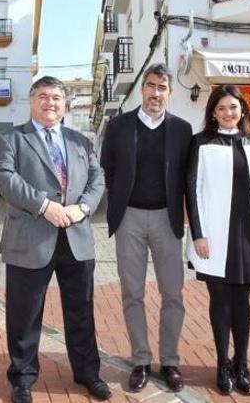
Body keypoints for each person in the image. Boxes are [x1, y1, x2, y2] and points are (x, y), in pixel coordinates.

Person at [0, 76, 109, 403]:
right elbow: (5, 179)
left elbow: (97, 178)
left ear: (65, 104)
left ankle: (88, 373)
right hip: (29, 238)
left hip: (76, 237)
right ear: (31, 101)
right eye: (43, 96)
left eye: (56, 97)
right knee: (24, 314)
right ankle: (22, 379)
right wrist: (44, 206)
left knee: (81, 311)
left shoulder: (81, 141)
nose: (50, 102)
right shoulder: (11, 139)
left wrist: (82, 208)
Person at [99, 64, 192, 393]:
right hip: (130, 219)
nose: (155, 92)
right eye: (150, 86)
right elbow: (107, 168)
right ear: (142, 89)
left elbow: (188, 179)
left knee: (173, 294)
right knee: (132, 293)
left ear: (170, 92)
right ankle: (140, 360)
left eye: (162, 87)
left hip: (167, 219)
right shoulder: (119, 127)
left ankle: (170, 361)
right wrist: (118, 204)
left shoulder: (182, 130)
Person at [185, 85, 250, 396]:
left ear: (242, 110)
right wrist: (198, 233)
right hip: (215, 235)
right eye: (221, 108)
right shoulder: (202, 142)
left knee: (242, 302)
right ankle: (223, 363)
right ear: (212, 112)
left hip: (248, 235)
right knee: (220, 301)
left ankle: (242, 363)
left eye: (233, 107)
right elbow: (192, 190)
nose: (228, 113)